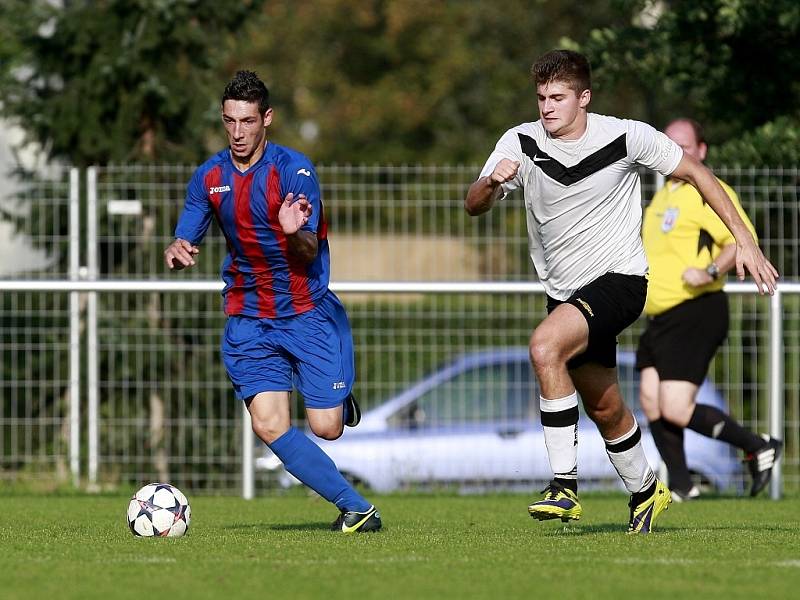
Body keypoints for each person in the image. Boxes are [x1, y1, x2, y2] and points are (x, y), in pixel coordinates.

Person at [464, 50, 778, 533]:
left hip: (621, 281)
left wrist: (745, 241)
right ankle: (647, 489)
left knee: (544, 346)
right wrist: (490, 182)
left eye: (559, 97)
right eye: (542, 98)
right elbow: (474, 205)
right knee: (605, 407)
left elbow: (697, 174)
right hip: (565, 293)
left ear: (583, 98)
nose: (548, 107)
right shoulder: (519, 141)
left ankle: (564, 487)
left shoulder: (627, 136)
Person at [163, 70, 381, 533]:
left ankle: (335, 390)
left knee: (327, 428)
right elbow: (186, 236)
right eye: (229, 122)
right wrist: (178, 249)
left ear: (267, 119)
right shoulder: (210, 176)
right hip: (248, 317)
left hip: (306, 312)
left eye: (247, 121)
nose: (238, 133)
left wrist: (291, 230)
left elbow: (307, 249)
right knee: (268, 425)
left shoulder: (294, 171)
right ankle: (356, 507)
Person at [637, 118, 782, 501]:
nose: (676, 153)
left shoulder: (706, 190)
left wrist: (711, 271)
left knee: (675, 406)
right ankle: (683, 488)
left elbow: (741, 238)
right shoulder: (664, 192)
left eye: (684, 146)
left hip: (696, 310)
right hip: (660, 316)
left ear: (701, 152)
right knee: (651, 399)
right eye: (669, 145)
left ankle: (757, 445)